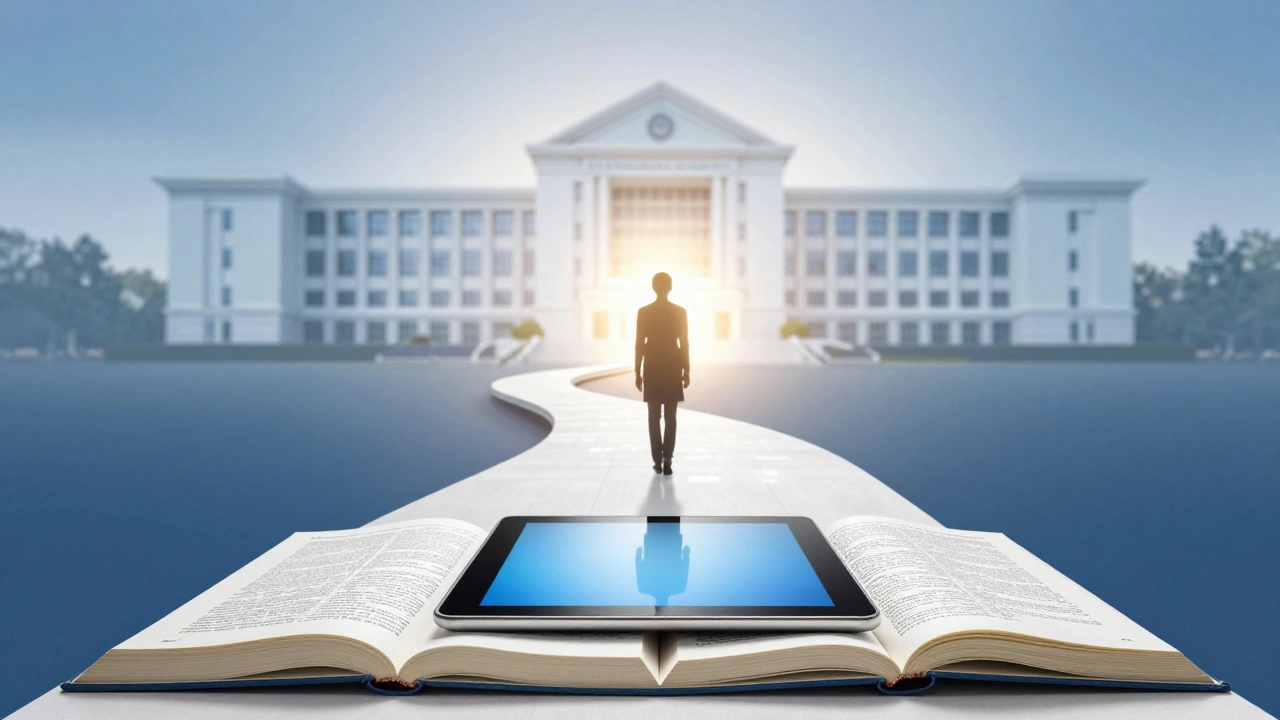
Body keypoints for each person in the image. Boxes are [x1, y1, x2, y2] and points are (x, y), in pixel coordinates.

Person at [635, 272, 689, 476]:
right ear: (671, 287)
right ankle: (668, 459)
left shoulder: (644, 312)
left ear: (653, 287)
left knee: (653, 416)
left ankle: (657, 459)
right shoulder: (680, 312)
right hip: (673, 365)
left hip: (652, 365)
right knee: (671, 416)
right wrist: (687, 370)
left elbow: (639, 344)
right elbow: (684, 343)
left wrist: (636, 371)